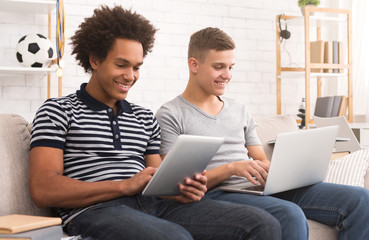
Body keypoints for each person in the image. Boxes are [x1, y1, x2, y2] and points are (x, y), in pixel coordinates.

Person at [28, 6, 282, 240]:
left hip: (155, 206)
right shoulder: (58, 110)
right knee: (172, 237)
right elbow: (43, 189)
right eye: (121, 65)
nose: (130, 76)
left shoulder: (144, 117)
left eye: (137, 67)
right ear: (94, 60)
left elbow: (162, 184)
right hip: (95, 211)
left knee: (262, 224)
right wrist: (124, 186)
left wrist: (184, 189)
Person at [155, 27, 369, 240]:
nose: (227, 75)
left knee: (360, 199)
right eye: (219, 67)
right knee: (289, 214)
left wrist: (292, 166)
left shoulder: (239, 109)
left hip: (255, 188)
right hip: (217, 195)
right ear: (194, 64)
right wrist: (231, 169)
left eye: (231, 67)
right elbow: (174, 184)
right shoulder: (171, 114)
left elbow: (260, 160)